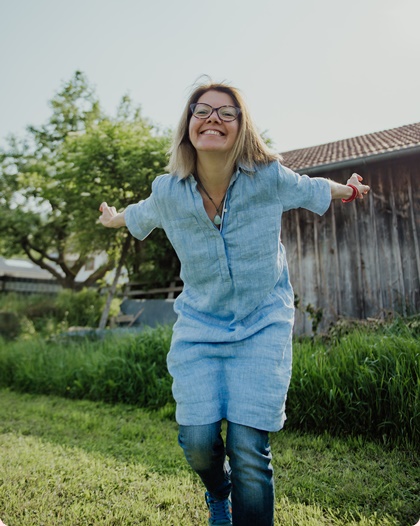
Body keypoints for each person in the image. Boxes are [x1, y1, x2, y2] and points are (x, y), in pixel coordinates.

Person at [99, 81, 370, 526]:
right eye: (202, 111)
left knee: (248, 446)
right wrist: (114, 218)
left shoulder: (267, 178)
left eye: (227, 113)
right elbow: (138, 213)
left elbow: (309, 187)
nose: (213, 119)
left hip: (261, 322)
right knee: (198, 441)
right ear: (188, 125)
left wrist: (348, 190)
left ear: (242, 127)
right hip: (200, 327)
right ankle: (218, 490)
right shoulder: (168, 192)